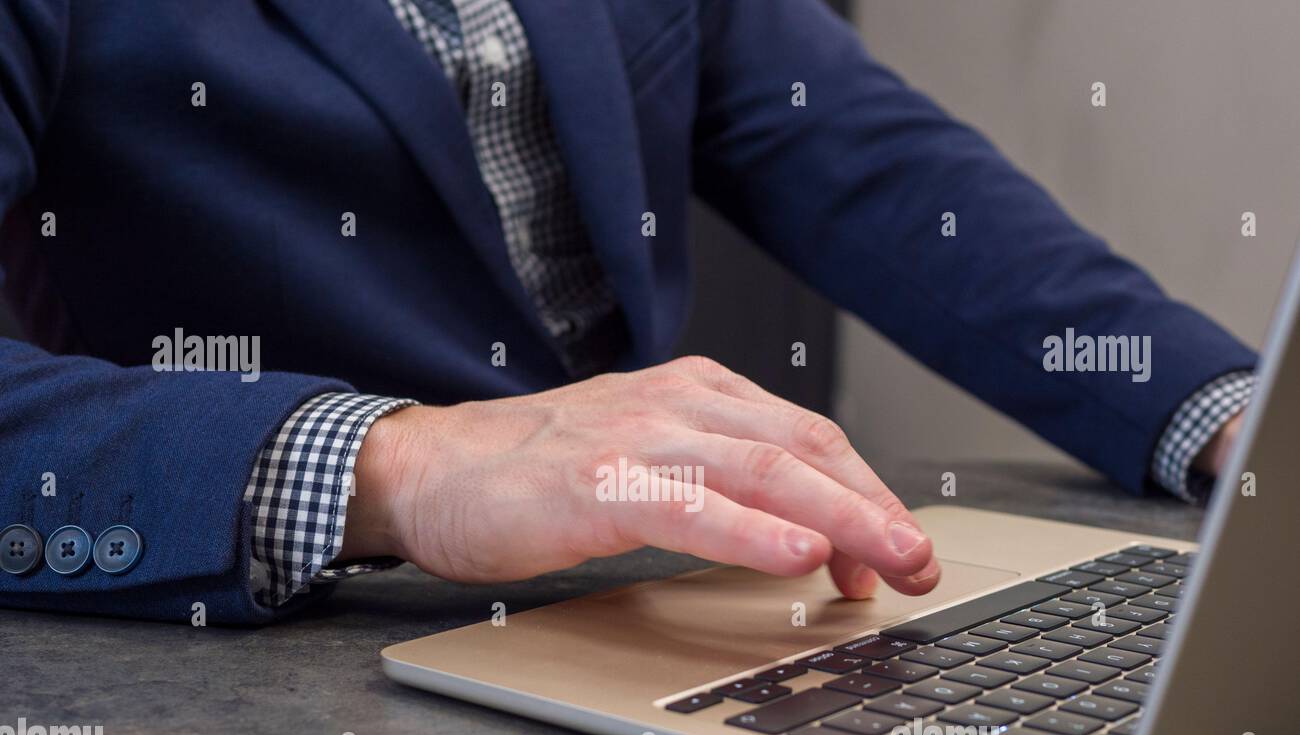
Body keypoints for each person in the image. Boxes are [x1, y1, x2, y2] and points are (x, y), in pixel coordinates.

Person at [0, 0, 1254, 624]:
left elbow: (866, 157)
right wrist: (403, 465)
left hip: (640, 606)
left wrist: (1223, 410)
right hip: (261, 638)